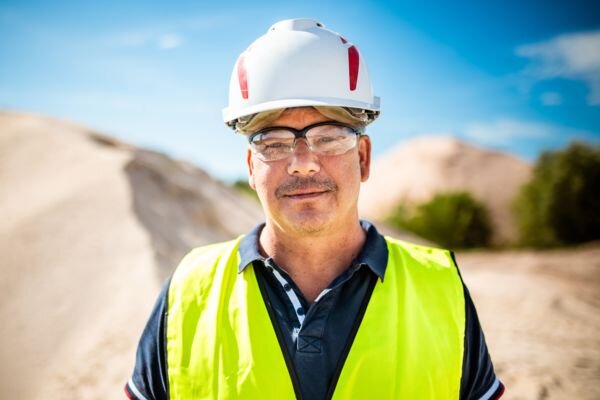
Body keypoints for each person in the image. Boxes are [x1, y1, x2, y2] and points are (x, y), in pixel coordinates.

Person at [125, 18, 504, 400]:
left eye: (329, 137)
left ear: (364, 158)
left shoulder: (440, 288)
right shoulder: (188, 291)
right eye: (272, 142)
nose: (302, 163)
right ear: (251, 168)